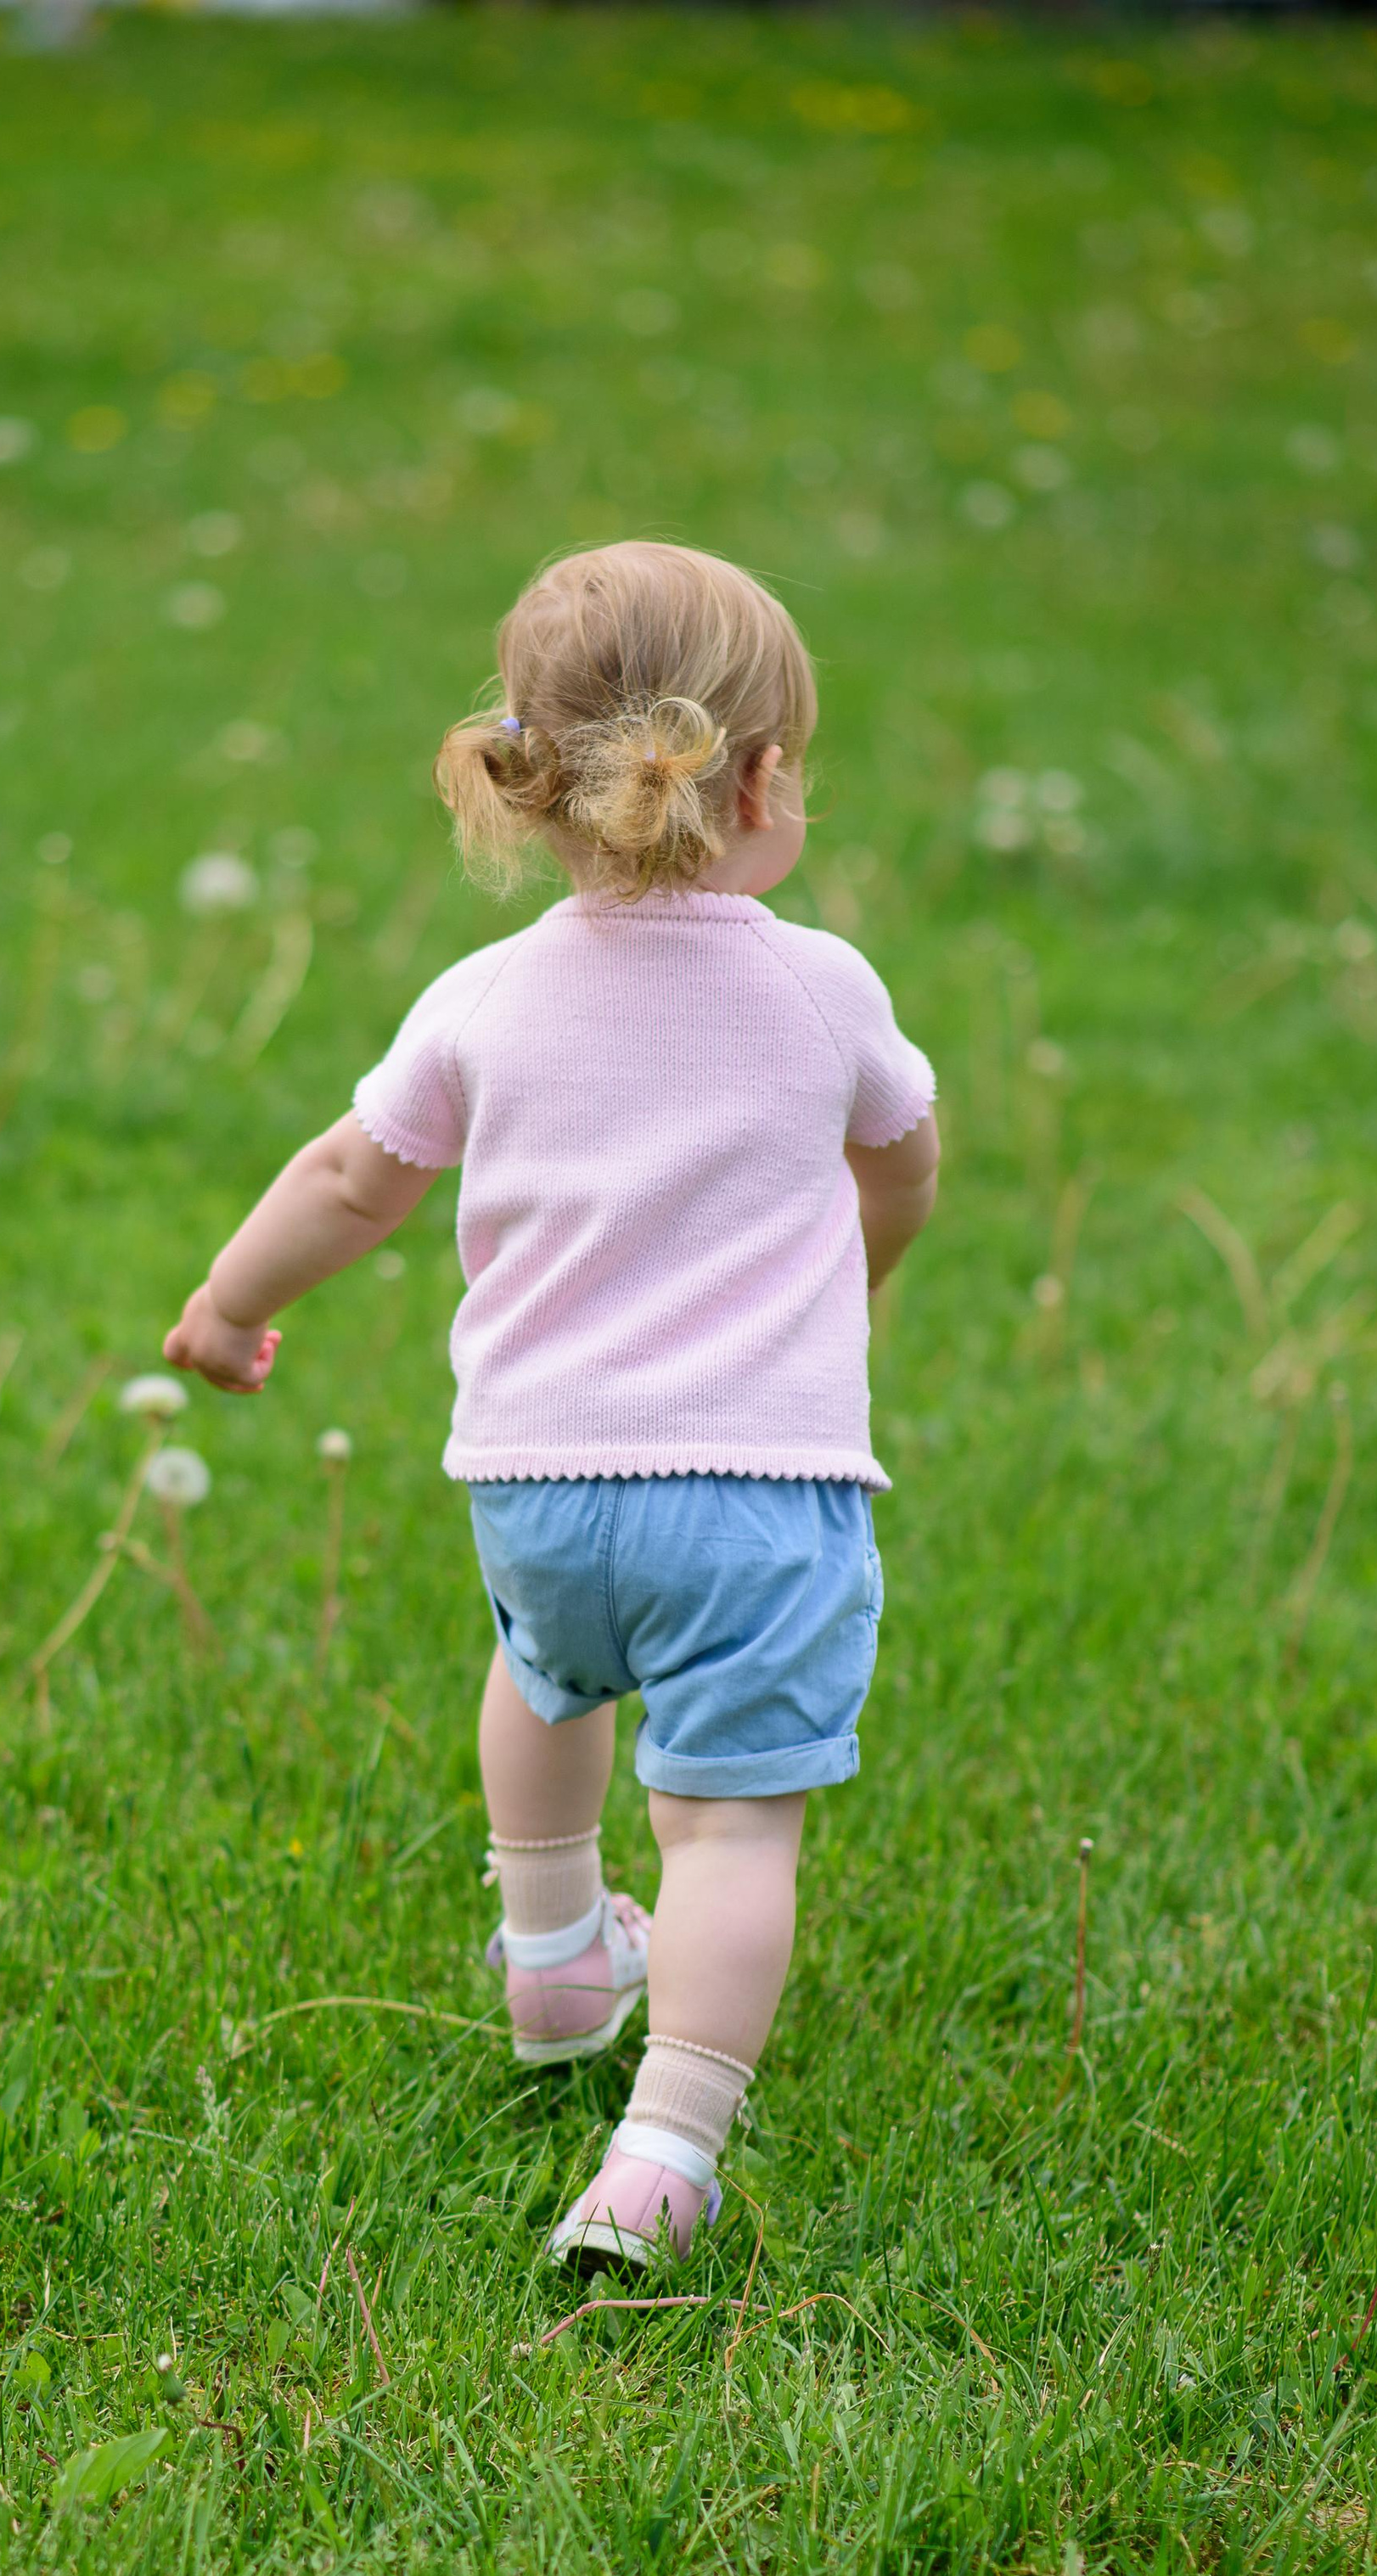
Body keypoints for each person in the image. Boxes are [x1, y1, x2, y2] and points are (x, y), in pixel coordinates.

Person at [164, 541, 939, 2275]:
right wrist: (866, 1263)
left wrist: (229, 1305)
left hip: (536, 1480)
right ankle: (664, 2149)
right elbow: (898, 1161)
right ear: (754, 782)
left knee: (543, 1667)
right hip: (755, 1487)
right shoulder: (823, 990)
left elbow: (352, 1175)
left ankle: (552, 1943)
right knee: (731, 1820)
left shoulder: (486, 996)